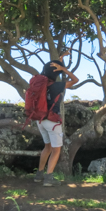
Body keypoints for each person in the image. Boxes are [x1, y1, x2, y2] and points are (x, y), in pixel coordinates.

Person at [33, 52, 79, 186]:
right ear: (56, 74)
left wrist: (60, 60)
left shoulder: (39, 85)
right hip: (52, 121)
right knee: (56, 150)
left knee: (47, 147)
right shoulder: (56, 86)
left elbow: (49, 70)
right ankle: (49, 178)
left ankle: (39, 175)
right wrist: (64, 69)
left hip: (40, 120)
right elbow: (75, 80)